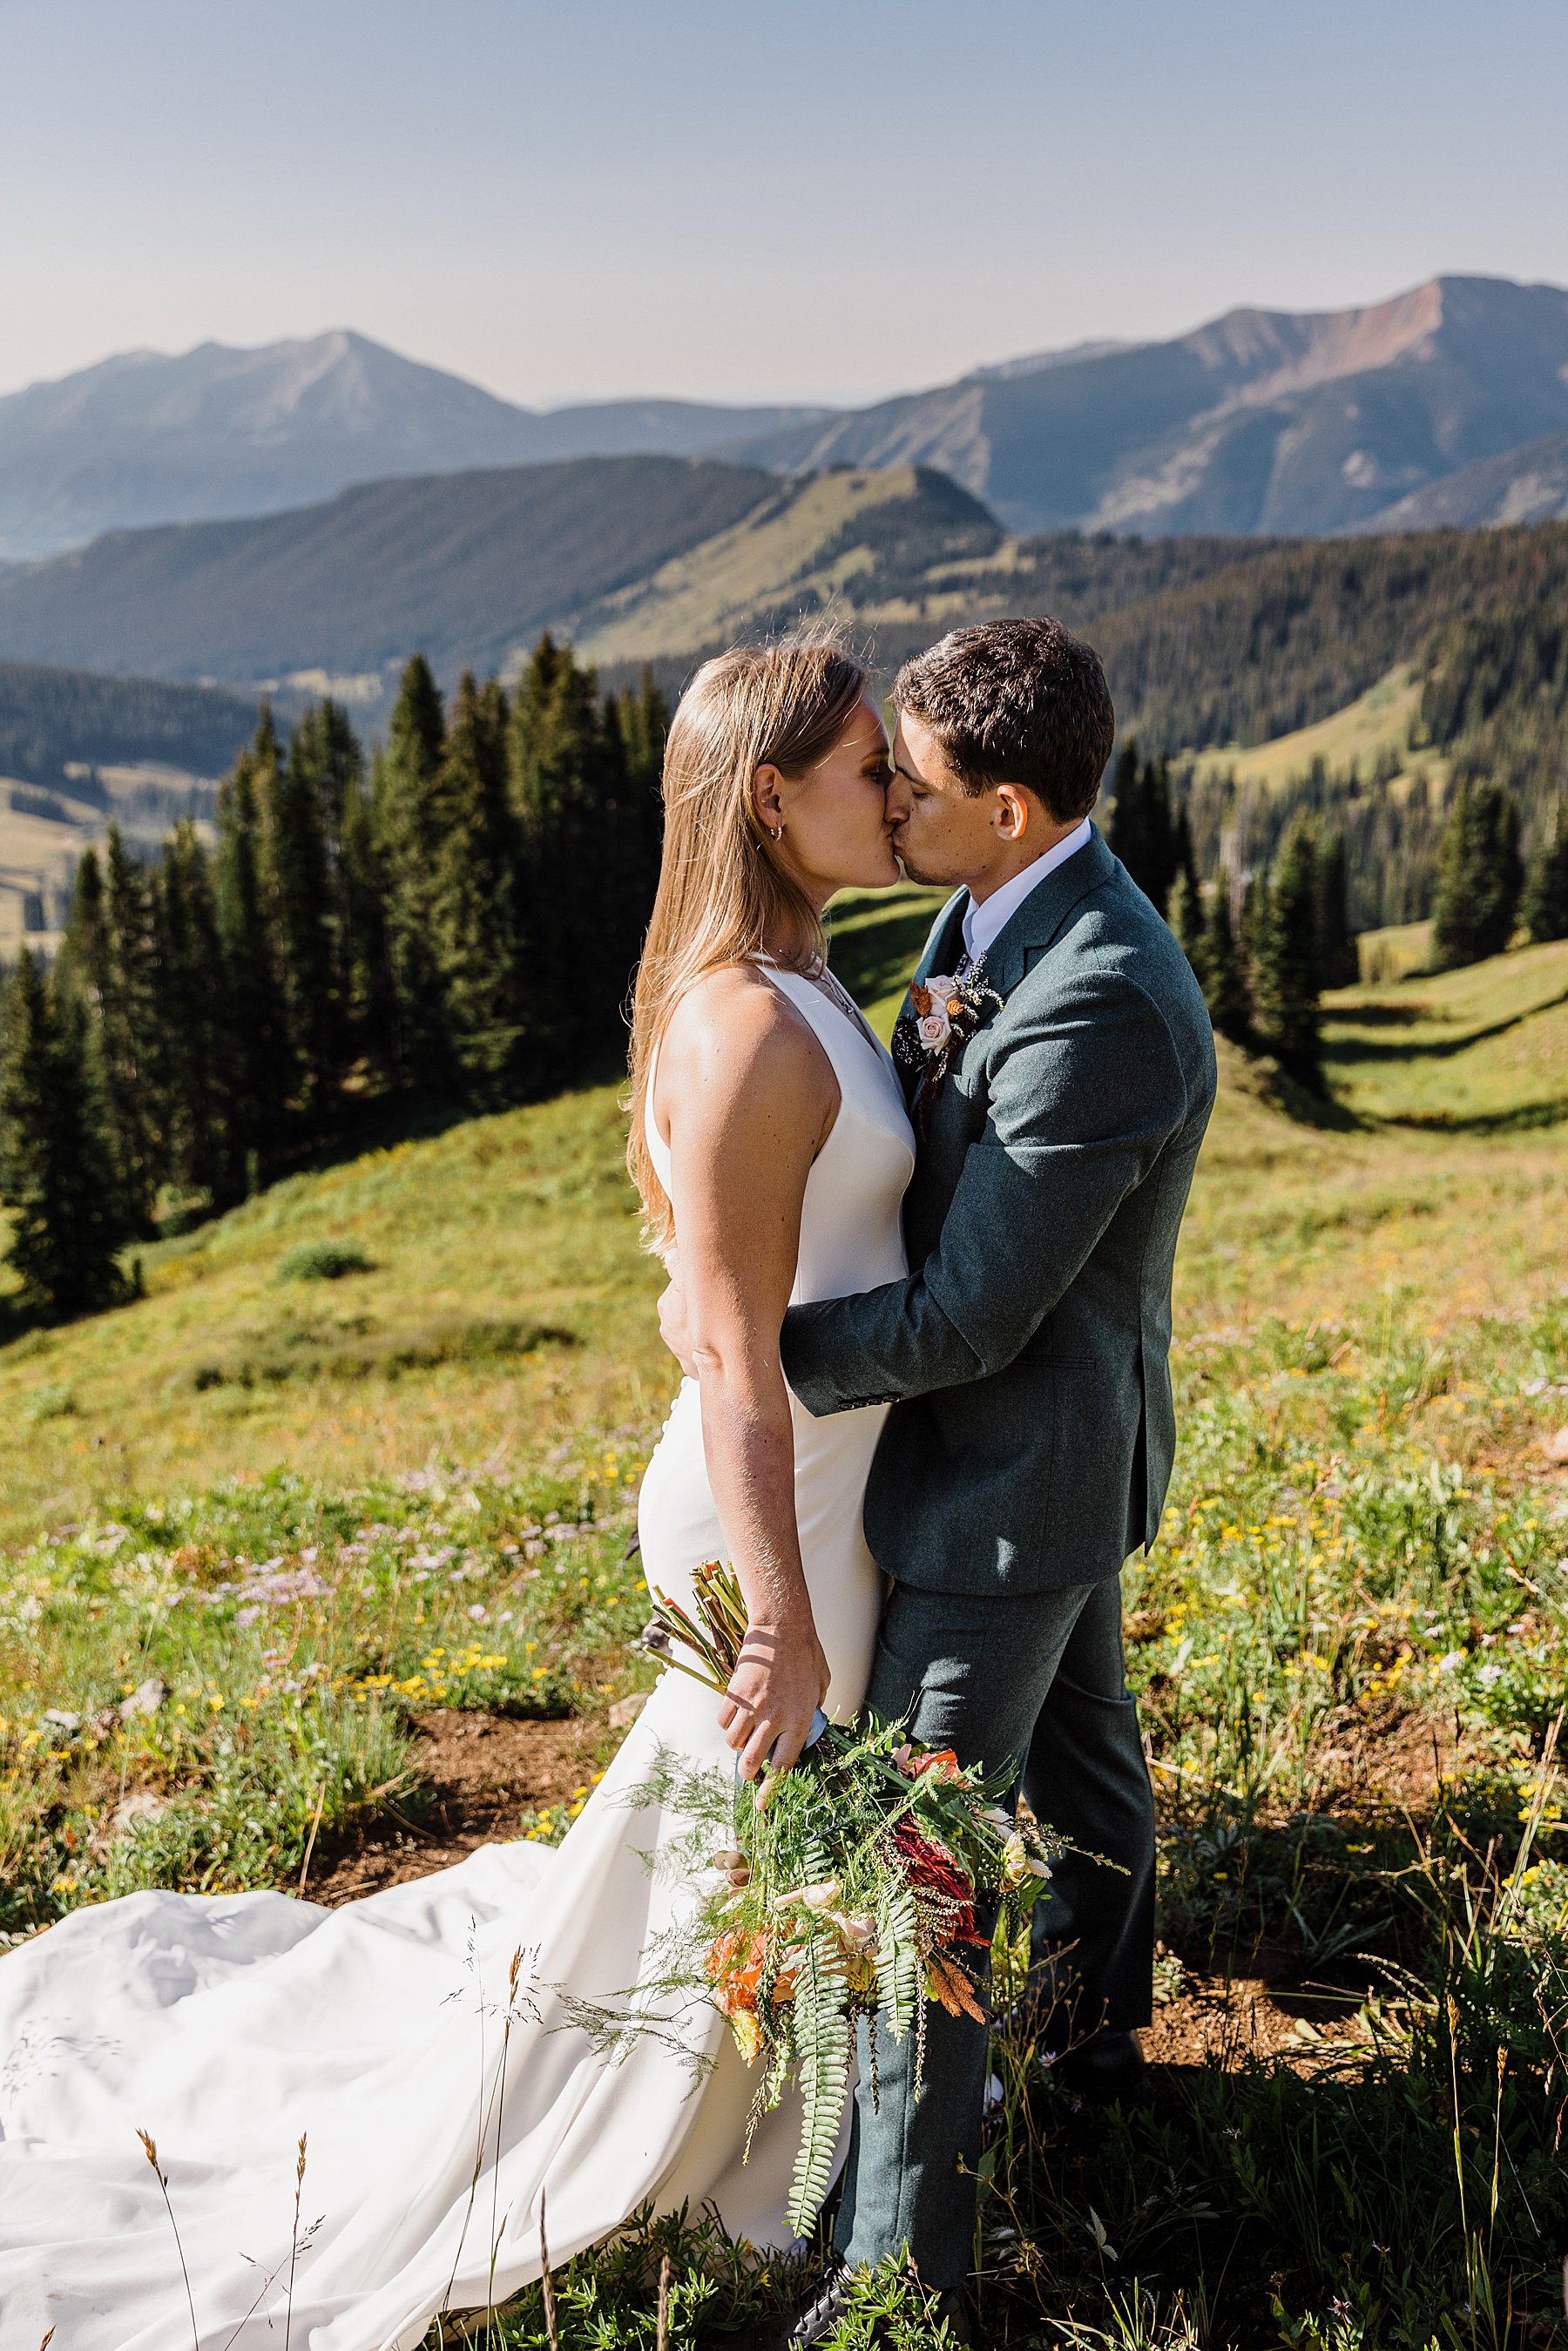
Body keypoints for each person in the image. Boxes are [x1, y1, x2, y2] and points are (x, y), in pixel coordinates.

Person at [0, 639, 916, 2348]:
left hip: (825, 1483)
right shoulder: (740, 1025)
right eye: (870, 766)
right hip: (767, 1510)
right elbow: (727, 1350)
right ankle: (699, 2156)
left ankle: (768, 2132)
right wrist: (778, 1616)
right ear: (771, 798)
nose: (900, 790)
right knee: (745, 1817)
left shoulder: (806, 980)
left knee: (743, 1840)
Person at [661, 617, 1217, 2343]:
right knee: (1088, 1764)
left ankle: (906, 2277)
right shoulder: (981, 922)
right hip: (1007, 1463)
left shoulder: (1103, 994)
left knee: (917, 1859)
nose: (891, 797)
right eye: (876, 769)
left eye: (916, 779)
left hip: (1005, 1481)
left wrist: (750, 1356)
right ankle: (1102, 2045)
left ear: (1009, 808)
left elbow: (977, 1311)